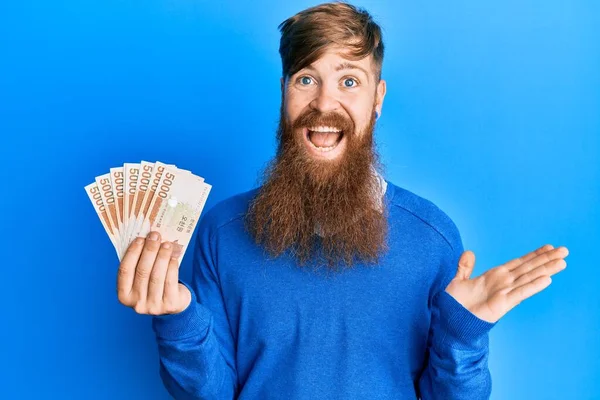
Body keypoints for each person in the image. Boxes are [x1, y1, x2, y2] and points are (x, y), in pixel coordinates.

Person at [116, 2, 569, 399]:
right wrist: (178, 319)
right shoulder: (222, 232)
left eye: (349, 81)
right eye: (306, 79)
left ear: (378, 98)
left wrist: (462, 335)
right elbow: (209, 394)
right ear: (284, 92)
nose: (324, 103)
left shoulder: (434, 238)